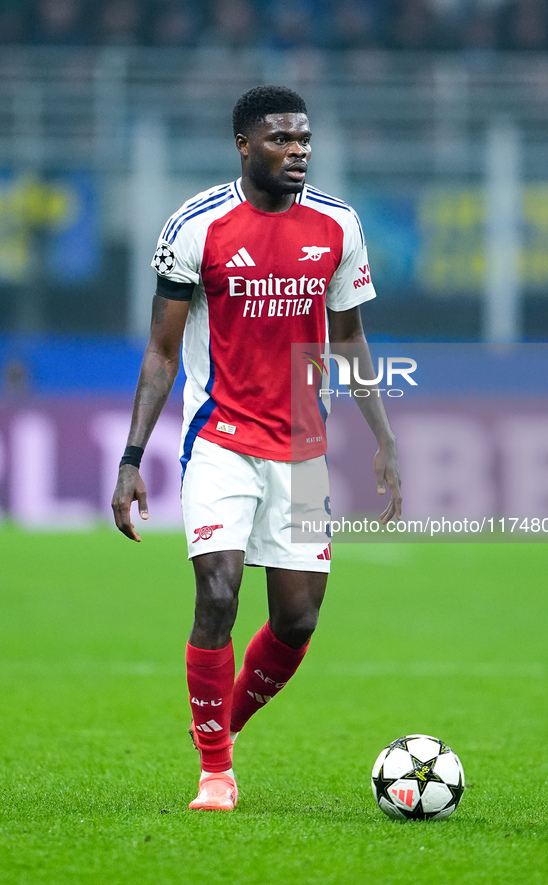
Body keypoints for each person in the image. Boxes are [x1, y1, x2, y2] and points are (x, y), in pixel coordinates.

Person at [111, 84, 402, 812]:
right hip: (220, 440)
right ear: (244, 145)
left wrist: (383, 438)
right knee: (218, 593)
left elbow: (349, 337)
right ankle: (215, 771)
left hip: (303, 447)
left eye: (303, 139)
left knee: (297, 618)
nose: (297, 151)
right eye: (280, 139)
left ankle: (222, 726)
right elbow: (161, 350)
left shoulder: (338, 225)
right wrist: (130, 457)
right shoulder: (195, 227)